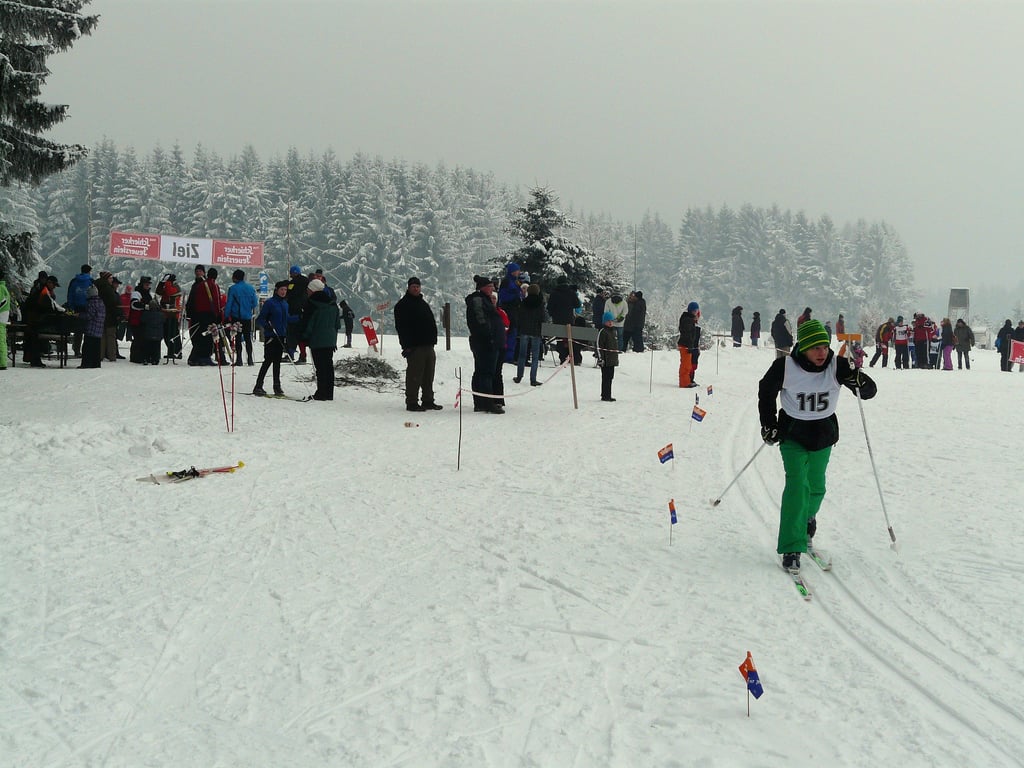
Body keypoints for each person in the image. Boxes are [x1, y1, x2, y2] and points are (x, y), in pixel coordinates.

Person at [758, 318, 877, 573]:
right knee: (797, 485)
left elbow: (869, 392)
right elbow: (765, 392)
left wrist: (863, 384)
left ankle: (807, 521)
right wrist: (768, 424)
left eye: (824, 346)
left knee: (816, 486)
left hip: (823, 435)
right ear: (803, 347)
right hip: (793, 434)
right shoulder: (785, 366)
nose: (821, 353)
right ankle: (791, 545)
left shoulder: (838, 365)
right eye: (815, 348)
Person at [394, 276, 441, 411]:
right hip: (415, 347)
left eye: (418, 286)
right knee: (415, 375)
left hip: (428, 345)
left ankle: (428, 399)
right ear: (408, 288)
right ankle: (412, 401)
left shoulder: (423, 303)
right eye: (413, 286)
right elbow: (401, 327)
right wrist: (406, 346)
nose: (416, 288)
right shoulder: (403, 305)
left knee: (428, 375)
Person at [466, 274, 505, 414]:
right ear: (483, 287)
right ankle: (486, 402)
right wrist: (489, 337)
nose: (492, 289)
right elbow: (480, 320)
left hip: (489, 341)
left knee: (485, 372)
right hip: (485, 342)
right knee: (485, 373)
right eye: (490, 286)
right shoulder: (478, 300)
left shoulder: (484, 300)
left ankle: (484, 401)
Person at [299, 278, 341, 400]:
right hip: (331, 339)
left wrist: (305, 337)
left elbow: (309, 323)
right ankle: (329, 393)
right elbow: (337, 323)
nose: (307, 292)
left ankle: (321, 393)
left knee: (320, 367)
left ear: (312, 290)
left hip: (317, 339)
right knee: (328, 366)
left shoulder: (311, 303)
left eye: (308, 290)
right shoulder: (333, 304)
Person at [253, 281, 296, 396]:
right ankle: (258, 385)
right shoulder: (270, 303)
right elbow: (261, 319)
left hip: (281, 336)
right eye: (281, 289)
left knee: (277, 362)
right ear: (276, 290)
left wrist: (300, 318)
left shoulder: (285, 304)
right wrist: (268, 327)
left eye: (285, 290)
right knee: (268, 361)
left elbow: (287, 319)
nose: (283, 292)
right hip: (271, 336)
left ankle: (277, 386)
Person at [22, 274, 66, 367]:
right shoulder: (44, 291)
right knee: (35, 339)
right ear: (49, 282)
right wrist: (62, 311)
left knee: (33, 339)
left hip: (33, 317)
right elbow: (51, 305)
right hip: (35, 318)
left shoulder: (41, 288)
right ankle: (35, 360)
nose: (54, 287)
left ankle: (33, 359)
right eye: (54, 285)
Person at [225, 269, 259, 366]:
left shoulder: (233, 289)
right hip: (247, 317)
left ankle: (239, 359)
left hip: (236, 317)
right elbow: (255, 303)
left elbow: (229, 304)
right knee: (248, 338)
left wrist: (227, 316)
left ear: (235, 278)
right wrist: (248, 309)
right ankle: (250, 359)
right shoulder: (250, 288)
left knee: (238, 338)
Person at [515, 282, 546, 385]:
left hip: (524, 330)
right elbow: (543, 318)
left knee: (522, 355)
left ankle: (519, 376)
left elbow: (519, 316)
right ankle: (533, 379)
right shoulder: (540, 304)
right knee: (535, 356)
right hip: (536, 331)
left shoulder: (523, 302)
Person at [546, 277, 581, 365]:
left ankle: (562, 357)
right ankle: (572, 356)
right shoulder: (571, 293)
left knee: (560, 339)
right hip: (569, 319)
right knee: (570, 338)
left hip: (557, 319)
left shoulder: (554, 293)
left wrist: (552, 314)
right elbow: (577, 304)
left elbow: (549, 307)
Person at [497, 262, 524, 363]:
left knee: (513, 333)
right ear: (512, 271)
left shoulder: (516, 282)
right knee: (508, 333)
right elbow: (502, 296)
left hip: (515, 310)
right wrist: (515, 297)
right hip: (508, 310)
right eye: (517, 270)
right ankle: (506, 356)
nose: (518, 272)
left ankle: (510, 356)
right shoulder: (506, 281)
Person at [66, 263, 93, 357]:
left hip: (76, 308)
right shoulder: (90, 281)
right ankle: (86, 350)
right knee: (88, 330)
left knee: (78, 331)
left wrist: (71, 307)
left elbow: (70, 295)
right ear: (89, 271)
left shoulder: (74, 281)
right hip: (87, 307)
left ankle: (77, 349)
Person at [285, 265, 310, 362]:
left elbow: (289, 294)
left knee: (291, 334)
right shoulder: (307, 282)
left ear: (293, 273)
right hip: (305, 312)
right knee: (301, 335)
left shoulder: (293, 283)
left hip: (293, 311)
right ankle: (303, 355)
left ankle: (290, 354)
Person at [156, 274, 183, 360]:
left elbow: (170, 292)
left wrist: (167, 283)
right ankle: (171, 351)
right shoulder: (166, 285)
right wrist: (161, 283)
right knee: (166, 334)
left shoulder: (176, 287)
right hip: (166, 314)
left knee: (174, 334)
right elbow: (158, 292)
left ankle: (177, 352)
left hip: (173, 314)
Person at [129, 276, 155, 364]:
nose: (148, 286)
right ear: (142, 284)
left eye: (148, 284)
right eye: (146, 284)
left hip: (145, 320)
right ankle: (135, 357)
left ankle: (142, 356)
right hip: (136, 320)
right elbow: (134, 304)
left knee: (143, 339)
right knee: (138, 339)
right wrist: (145, 306)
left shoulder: (148, 294)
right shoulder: (136, 293)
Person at [79, 284, 105, 369]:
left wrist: (80, 315)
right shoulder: (101, 302)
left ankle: (86, 364)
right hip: (99, 329)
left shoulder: (91, 303)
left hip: (91, 329)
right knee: (96, 348)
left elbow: (89, 316)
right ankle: (96, 364)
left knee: (87, 348)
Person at [677, 301, 701, 388]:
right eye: (694, 310)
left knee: (688, 365)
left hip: (687, 345)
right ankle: (684, 383)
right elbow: (688, 334)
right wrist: (690, 345)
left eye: (697, 310)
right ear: (691, 310)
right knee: (685, 365)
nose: (695, 312)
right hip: (685, 345)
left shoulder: (690, 319)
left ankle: (687, 380)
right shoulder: (687, 320)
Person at [597, 310, 619, 401]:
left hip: (612, 360)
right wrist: (600, 358)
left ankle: (608, 394)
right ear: (604, 321)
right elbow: (599, 346)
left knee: (610, 377)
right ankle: (605, 396)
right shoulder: (603, 332)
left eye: (611, 321)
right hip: (605, 360)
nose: (610, 323)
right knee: (606, 378)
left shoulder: (613, 331)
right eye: (608, 321)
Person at [138, 298, 165, 365]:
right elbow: (164, 321)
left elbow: (142, 320)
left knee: (147, 346)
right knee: (156, 347)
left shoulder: (146, 314)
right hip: (158, 334)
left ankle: (146, 359)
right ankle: (155, 359)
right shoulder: (161, 314)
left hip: (148, 334)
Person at [0, 273, 12, 369]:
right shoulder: (3, 287)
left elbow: (2, 301)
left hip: (0, 317)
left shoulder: (0, 288)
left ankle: (2, 363)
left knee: (0, 340)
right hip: (3, 317)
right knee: (2, 339)